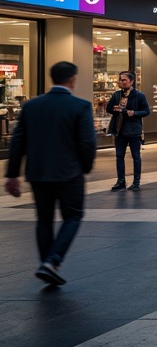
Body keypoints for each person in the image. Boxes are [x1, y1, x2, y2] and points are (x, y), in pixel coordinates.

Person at [4, 61, 97, 287]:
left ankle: (47, 262)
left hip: (38, 173)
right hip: (69, 173)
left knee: (43, 220)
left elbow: (18, 141)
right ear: (72, 79)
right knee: (73, 216)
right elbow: (87, 143)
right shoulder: (80, 106)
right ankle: (52, 261)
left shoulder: (31, 106)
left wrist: (12, 174)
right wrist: (85, 168)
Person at [106, 70, 149, 191]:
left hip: (134, 130)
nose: (121, 82)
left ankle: (136, 182)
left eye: (124, 80)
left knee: (136, 156)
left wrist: (134, 113)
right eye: (120, 80)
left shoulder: (139, 95)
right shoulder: (116, 95)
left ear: (131, 81)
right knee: (119, 156)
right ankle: (121, 181)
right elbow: (109, 109)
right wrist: (115, 108)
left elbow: (146, 111)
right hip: (119, 130)